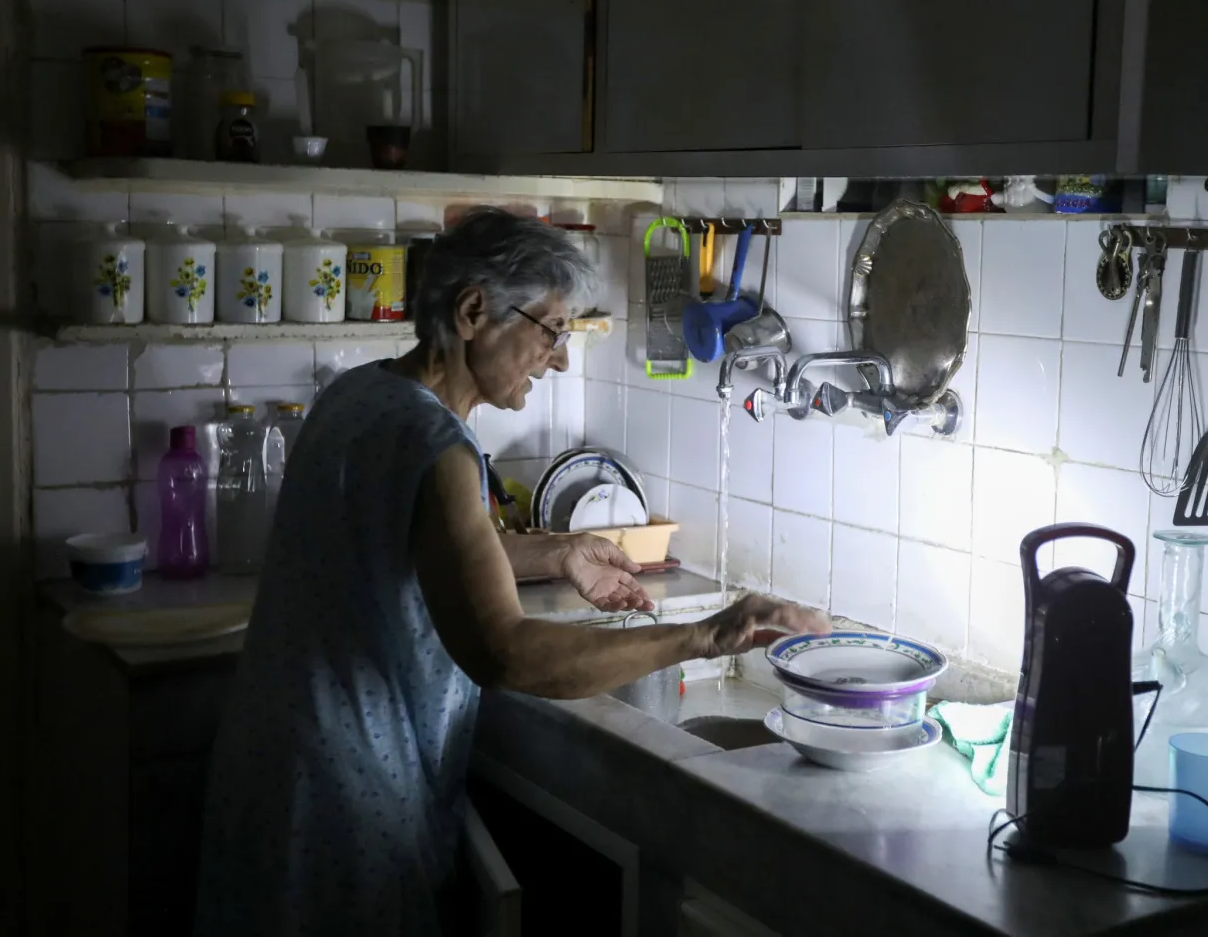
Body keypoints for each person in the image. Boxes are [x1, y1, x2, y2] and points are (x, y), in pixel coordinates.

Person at [194, 207, 829, 936]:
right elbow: (503, 652)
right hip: (351, 794)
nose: (558, 356)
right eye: (550, 329)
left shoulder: (360, 395)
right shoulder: (438, 446)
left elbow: (397, 549)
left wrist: (556, 552)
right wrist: (705, 635)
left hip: (271, 770)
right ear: (473, 312)